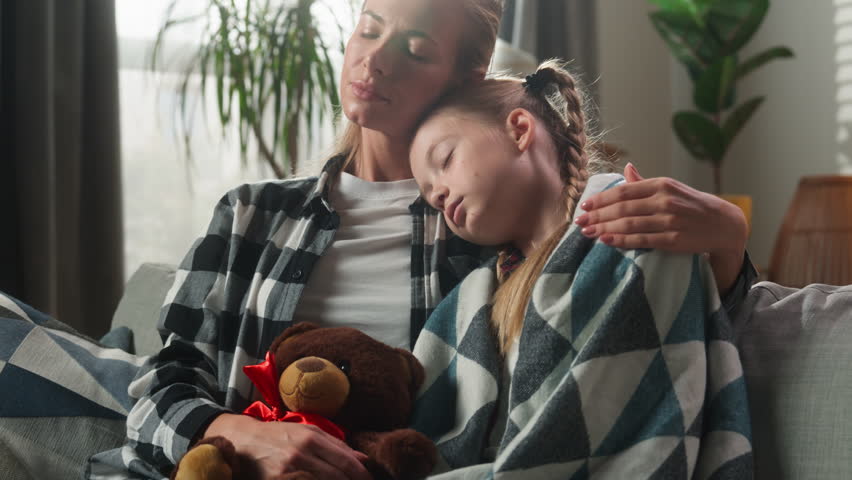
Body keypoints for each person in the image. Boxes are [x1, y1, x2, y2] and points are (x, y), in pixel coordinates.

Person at [0, 0, 754, 479]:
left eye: (416, 48)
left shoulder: (481, 220)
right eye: (368, 28)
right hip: (225, 456)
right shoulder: (252, 213)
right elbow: (166, 379)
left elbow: (610, 297)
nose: (375, 58)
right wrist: (242, 433)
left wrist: (726, 241)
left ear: (468, 73)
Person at [407, 61, 752, 477]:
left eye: (444, 160)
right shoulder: (473, 300)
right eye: (429, 197)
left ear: (519, 129)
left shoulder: (631, 221)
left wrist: (729, 238)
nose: (439, 195)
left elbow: (693, 318)